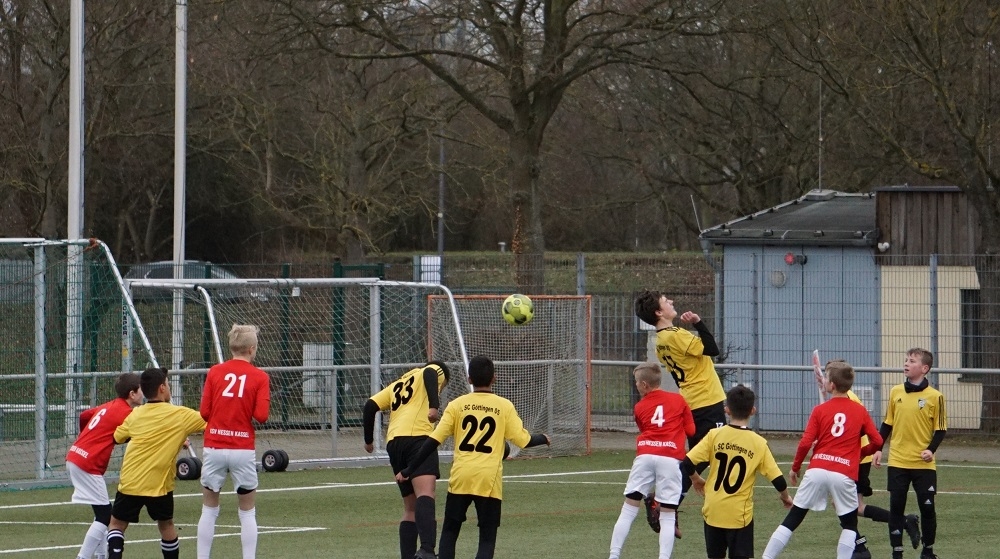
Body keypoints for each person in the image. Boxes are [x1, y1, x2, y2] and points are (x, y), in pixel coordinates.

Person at [395, 354, 549, 559]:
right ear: (494, 378)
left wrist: (409, 469)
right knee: (486, 538)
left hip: (461, 477)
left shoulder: (457, 405)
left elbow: (432, 441)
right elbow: (524, 441)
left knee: (450, 531)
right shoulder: (504, 406)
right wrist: (543, 438)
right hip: (488, 480)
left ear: (469, 379)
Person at [761, 360, 883, 559]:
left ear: (832, 385)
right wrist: (860, 453)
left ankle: (766, 557)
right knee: (850, 524)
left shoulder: (820, 410)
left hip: (817, 468)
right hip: (844, 472)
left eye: (826, 377)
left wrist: (795, 467)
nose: (824, 381)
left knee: (794, 518)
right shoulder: (860, 410)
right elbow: (877, 441)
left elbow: (805, 443)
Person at [635, 290, 727, 537]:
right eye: (666, 302)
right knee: (705, 456)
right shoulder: (676, 335)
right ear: (658, 312)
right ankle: (665, 503)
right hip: (705, 401)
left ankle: (668, 504)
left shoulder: (661, 340)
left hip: (695, 400)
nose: (671, 302)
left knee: (703, 456)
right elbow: (712, 349)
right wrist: (698, 322)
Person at [105, 367, 207, 559]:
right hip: (159, 485)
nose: (169, 388)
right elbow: (209, 422)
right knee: (166, 525)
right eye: (168, 384)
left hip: (131, 480)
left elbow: (118, 437)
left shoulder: (135, 414)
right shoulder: (180, 415)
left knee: (117, 524)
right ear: (162, 388)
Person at [684, 385, 793, 559]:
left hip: (713, 511)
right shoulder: (758, 443)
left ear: (727, 410)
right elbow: (778, 480)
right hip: (738, 516)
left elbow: (688, 463)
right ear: (753, 411)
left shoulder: (714, 435)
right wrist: (785, 496)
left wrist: (696, 479)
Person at [196, 324, 272, 559]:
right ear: (252, 349)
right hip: (242, 448)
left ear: (232, 347)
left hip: (214, 445)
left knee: (209, 508)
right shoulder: (260, 377)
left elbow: (204, 412)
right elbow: (262, 416)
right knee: (247, 511)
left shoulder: (215, 372)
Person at [363, 360, 452, 559]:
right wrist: (434, 406)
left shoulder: (397, 384)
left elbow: (370, 406)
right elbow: (430, 372)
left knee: (410, 508)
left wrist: (368, 441)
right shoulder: (431, 371)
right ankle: (427, 550)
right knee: (425, 493)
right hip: (418, 438)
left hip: (394, 443)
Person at [608, 362, 695, 559]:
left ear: (645, 385)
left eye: (637, 382)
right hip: (670, 458)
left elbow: (645, 429)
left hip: (645, 456)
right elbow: (691, 431)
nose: (636, 385)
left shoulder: (639, 406)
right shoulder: (679, 400)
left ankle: (614, 555)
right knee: (668, 514)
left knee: (629, 508)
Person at [872, 348, 947, 559]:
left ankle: (928, 551)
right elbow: (887, 424)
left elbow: (941, 429)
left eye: (912, 361)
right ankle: (897, 552)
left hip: (923, 465)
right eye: (906, 360)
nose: (906, 363)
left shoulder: (936, 397)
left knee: (927, 508)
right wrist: (878, 448)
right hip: (898, 461)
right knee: (896, 507)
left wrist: (930, 450)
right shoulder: (895, 392)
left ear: (924, 368)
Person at [67, 373, 144, 559]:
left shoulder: (110, 405)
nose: (144, 393)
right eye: (141, 390)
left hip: (75, 456)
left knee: (101, 513)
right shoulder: (127, 413)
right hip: (87, 463)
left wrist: (87, 438)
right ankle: (83, 557)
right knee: (105, 516)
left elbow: (85, 415)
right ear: (132, 394)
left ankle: (101, 555)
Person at [847, 388, 920, 558]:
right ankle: (904, 522)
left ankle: (860, 548)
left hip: (857, 458)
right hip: (856, 457)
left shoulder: (849, 398)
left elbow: (859, 427)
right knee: (855, 507)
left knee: (844, 505)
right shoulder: (844, 396)